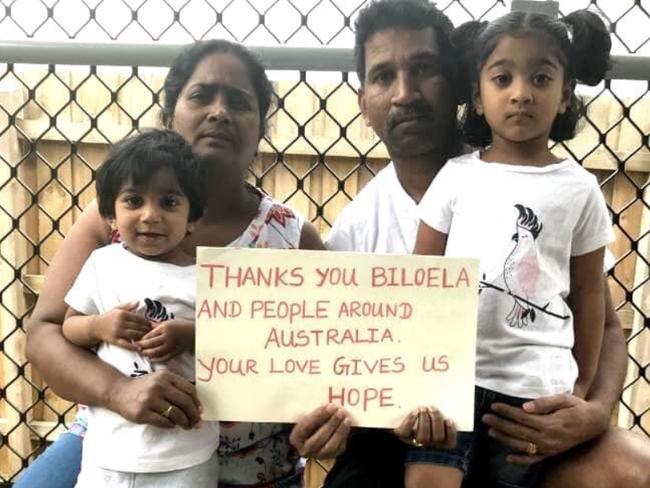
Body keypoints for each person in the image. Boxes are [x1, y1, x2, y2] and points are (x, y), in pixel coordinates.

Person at [325, 1, 650, 488]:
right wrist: (328, 416)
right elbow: (339, 364)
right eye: (383, 76)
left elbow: (602, 324)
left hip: (526, 409)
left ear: (461, 84)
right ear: (362, 102)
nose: (405, 93)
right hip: (413, 424)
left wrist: (592, 409)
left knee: (632, 469)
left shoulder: (557, 189)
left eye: (424, 69)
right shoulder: (353, 231)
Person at [23, 39, 352, 488]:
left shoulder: (290, 236)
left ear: (262, 129)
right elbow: (44, 334)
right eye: (201, 95)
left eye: (240, 102)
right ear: (168, 116)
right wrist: (118, 392)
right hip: (116, 449)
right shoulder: (114, 222)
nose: (219, 111)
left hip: (254, 467)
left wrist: (322, 415)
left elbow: (330, 355)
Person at [410, 9, 612, 488]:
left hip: (534, 395)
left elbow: (588, 297)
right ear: (478, 97)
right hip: (448, 382)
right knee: (425, 481)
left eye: (541, 77)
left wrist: (581, 387)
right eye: (502, 78)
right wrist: (416, 375)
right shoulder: (456, 176)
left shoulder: (580, 189)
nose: (521, 92)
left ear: (564, 95)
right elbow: (419, 279)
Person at [62, 129, 220, 486]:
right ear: (111, 215)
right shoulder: (102, 264)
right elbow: (70, 326)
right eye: (133, 201)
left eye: (169, 202)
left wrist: (192, 334)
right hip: (108, 451)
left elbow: (236, 343)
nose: (150, 215)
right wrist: (99, 327)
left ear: (193, 216)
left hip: (187, 455)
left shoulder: (207, 277)